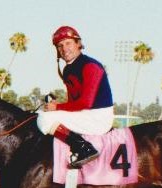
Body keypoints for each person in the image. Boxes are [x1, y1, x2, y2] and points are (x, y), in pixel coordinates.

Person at [36, 25, 114, 168]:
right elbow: (75, 102)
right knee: (40, 114)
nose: (64, 49)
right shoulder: (68, 69)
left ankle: (84, 149)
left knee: (44, 119)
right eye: (60, 46)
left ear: (78, 44)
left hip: (98, 116)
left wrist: (57, 107)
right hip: (87, 114)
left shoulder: (91, 66)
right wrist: (57, 107)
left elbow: (85, 103)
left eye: (68, 43)